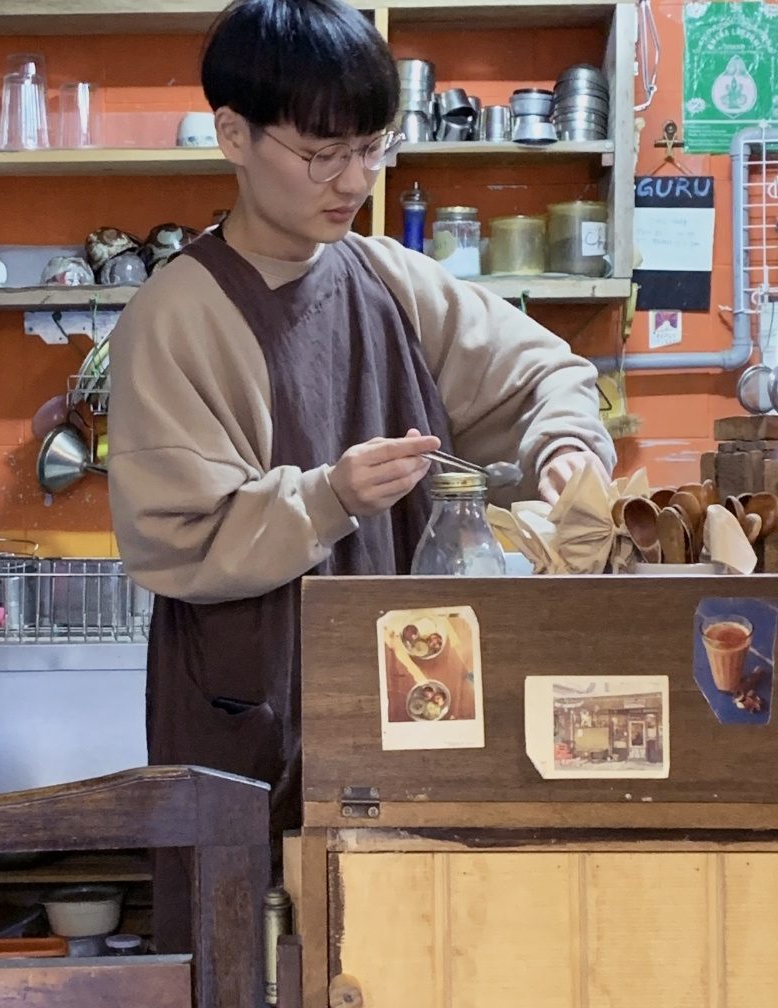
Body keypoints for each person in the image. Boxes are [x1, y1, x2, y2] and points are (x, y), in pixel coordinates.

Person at [107, 0, 615, 948]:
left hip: (413, 691)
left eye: (372, 149)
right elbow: (176, 538)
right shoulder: (176, 316)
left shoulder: (389, 279)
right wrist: (327, 497)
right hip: (250, 702)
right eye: (322, 154)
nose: (353, 181)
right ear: (234, 135)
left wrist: (565, 447)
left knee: (415, 944)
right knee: (253, 945)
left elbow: (550, 374)